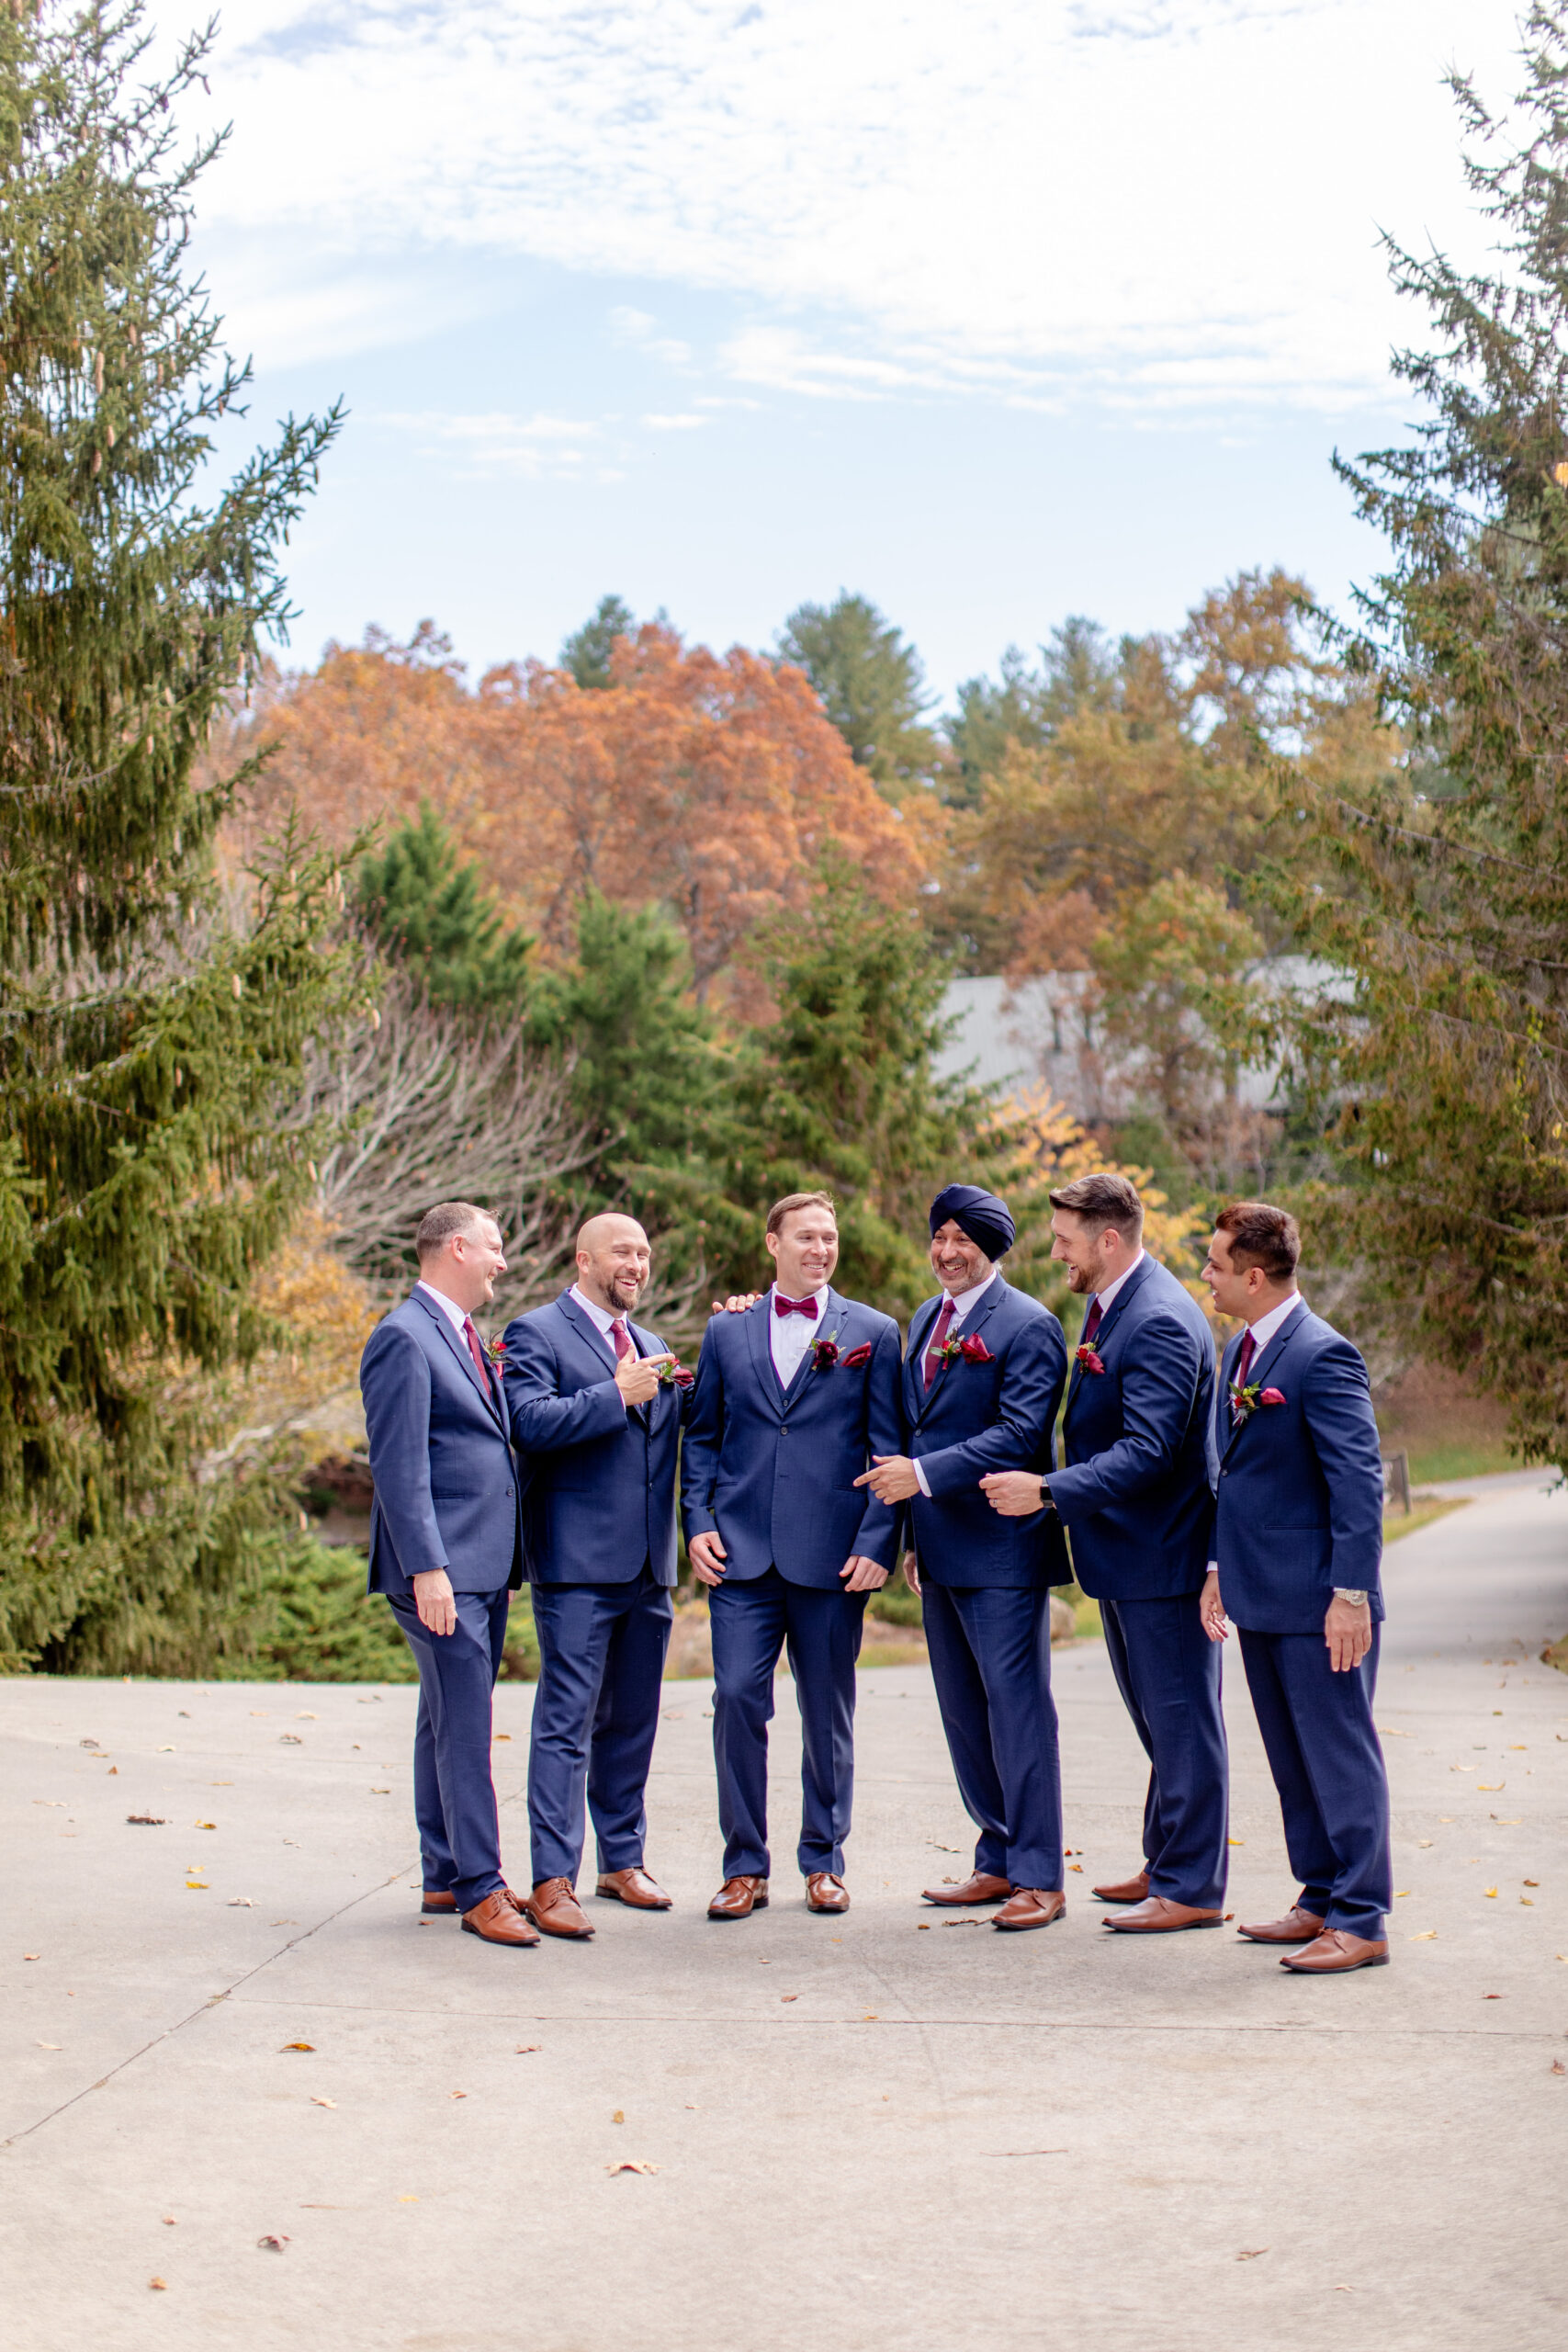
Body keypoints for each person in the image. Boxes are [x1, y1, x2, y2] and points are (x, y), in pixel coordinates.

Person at [982, 1172, 1226, 1934]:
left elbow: (1149, 1452)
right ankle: (1167, 1859)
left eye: (1064, 1240)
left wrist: (1048, 1491)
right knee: (1159, 1722)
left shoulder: (1154, 1318)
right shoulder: (1113, 1305)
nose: (1055, 1251)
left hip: (1161, 1555)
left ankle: (1191, 1887)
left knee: (1182, 1722)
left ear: (1108, 1239)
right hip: (1125, 1554)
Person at [681, 1193, 904, 1919]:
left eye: (829, 1237)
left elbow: (887, 1447)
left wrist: (876, 1540)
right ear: (772, 1241)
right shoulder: (727, 1330)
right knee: (737, 1701)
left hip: (834, 1558)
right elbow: (703, 1436)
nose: (820, 1248)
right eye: (806, 1236)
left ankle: (824, 1861)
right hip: (739, 1556)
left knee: (826, 1711)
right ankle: (743, 1866)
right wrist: (696, 1522)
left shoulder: (873, 1331)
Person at [858, 1185, 1070, 1931]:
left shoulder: (1029, 1325)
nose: (947, 1251)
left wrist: (917, 1477)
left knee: (1016, 1712)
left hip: (1003, 1550)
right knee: (962, 1715)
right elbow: (919, 1423)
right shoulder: (925, 1318)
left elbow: (1018, 1434)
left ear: (992, 1247)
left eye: (963, 1239)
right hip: (941, 1550)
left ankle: (1040, 1875)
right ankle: (996, 1859)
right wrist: (915, 1535)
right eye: (938, 1236)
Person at [1201, 1201, 1392, 1974]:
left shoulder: (1323, 1356)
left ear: (1253, 1275)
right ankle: (1318, 1897)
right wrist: (1217, 1569)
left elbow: (1358, 1484)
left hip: (1321, 1602)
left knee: (1339, 1757)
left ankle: (1362, 1916)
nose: (1206, 1274)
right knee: (1290, 1759)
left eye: (1215, 1263)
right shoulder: (1237, 1351)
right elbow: (1232, 1479)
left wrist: (1351, 1594)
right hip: (1259, 1593)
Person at [501, 1214, 688, 1940]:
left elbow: (681, 1426)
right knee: (565, 1723)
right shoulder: (534, 1332)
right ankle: (552, 1879)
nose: (636, 1264)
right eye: (622, 1252)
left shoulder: (653, 1346)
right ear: (583, 1260)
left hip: (649, 1564)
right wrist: (615, 1395)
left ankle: (621, 1861)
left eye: (643, 1252)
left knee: (633, 1720)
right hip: (575, 1565)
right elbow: (529, 1422)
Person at [360, 1202, 534, 1949]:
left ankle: (442, 1868)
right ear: (456, 1248)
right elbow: (399, 1468)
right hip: (442, 1569)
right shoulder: (402, 1337)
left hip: (481, 1564)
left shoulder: (461, 1337)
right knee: (466, 1727)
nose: (502, 1261)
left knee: (444, 1714)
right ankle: (480, 1888)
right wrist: (428, 1568)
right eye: (493, 1247)